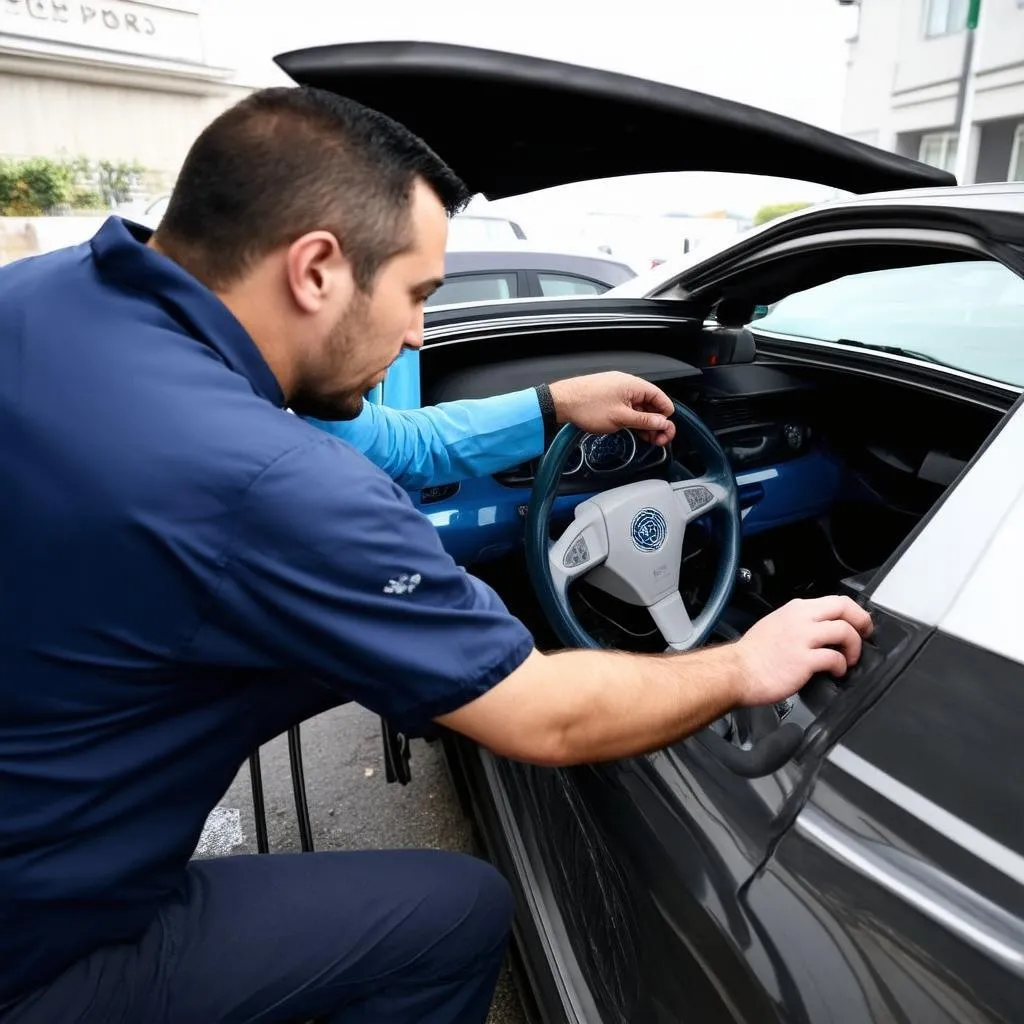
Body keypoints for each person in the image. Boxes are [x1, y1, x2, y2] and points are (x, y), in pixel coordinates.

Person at [0, 86, 871, 1024]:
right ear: (318, 269)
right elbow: (548, 720)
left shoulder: (43, 298)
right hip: (43, 950)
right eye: (418, 294)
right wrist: (743, 662)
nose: (420, 331)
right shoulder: (272, 486)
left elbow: (382, 446)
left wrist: (549, 405)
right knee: (458, 912)